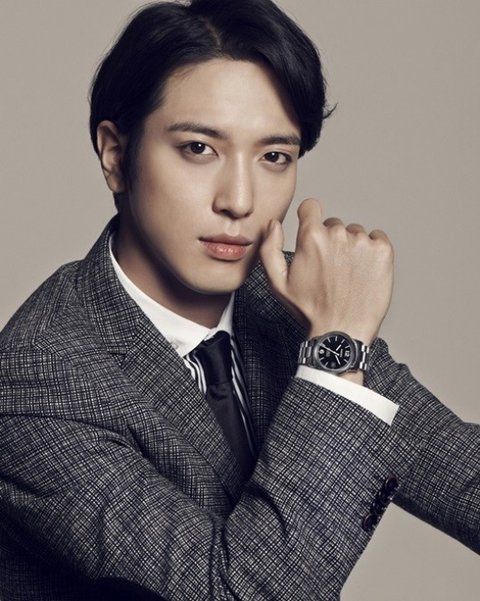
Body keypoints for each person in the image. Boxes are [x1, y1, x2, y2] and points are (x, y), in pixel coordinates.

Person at [0, 0, 478, 599]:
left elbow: (463, 478)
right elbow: (240, 591)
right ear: (116, 155)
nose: (240, 200)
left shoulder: (284, 302)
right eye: (199, 149)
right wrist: (338, 346)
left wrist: (332, 337)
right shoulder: (35, 380)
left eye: (274, 157)